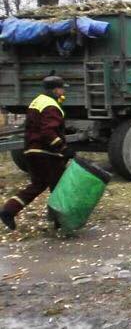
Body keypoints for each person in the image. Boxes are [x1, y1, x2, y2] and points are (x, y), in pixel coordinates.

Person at [1, 75, 75, 231]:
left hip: (32, 150)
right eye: (62, 89)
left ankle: (9, 211)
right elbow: (48, 131)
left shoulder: (38, 101)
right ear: (56, 90)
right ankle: (60, 220)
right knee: (60, 185)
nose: (63, 92)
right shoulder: (51, 106)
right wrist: (63, 148)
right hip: (46, 153)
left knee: (40, 184)